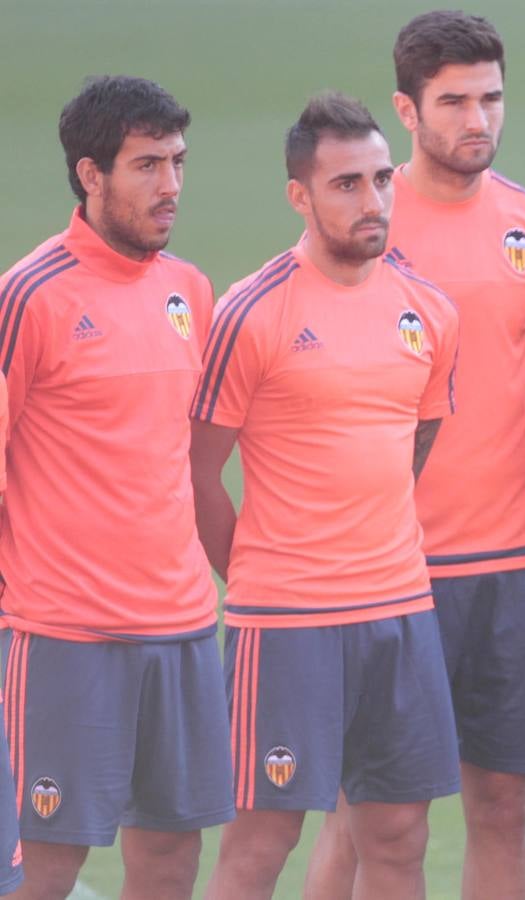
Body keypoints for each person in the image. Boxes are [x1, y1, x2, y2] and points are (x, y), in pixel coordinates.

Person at [302, 13, 525, 900]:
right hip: (387, 573)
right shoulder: (366, 222)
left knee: (505, 807)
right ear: (406, 112)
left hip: (512, 559)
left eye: (491, 98)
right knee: (367, 812)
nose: (477, 120)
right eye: (453, 101)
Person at [191, 92, 462, 899]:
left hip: (400, 609)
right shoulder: (250, 311)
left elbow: (415, 442)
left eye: (381, 179)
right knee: (260, 837)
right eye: (346, 184)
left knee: (398, 833)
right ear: (299, 195)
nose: (372, 201)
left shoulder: (429, 312)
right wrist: (253, 579)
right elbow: (194, 470)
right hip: (285, 621)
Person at [0, 75, 223, 900]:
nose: (169, 186)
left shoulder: (188, 291)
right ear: (90, 176)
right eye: (145, 165)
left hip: (183, 628)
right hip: (66, 637)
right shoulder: (29, 296)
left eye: (177, 162)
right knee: (43, 867)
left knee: (171, 858)